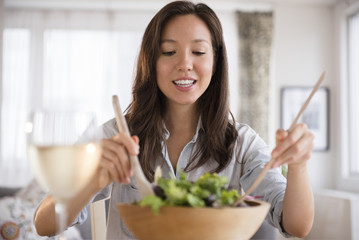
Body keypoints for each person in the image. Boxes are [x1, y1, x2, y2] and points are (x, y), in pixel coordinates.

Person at [33, 1, 314, 239]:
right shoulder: (113, 135)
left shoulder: (242, 143)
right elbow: (44, 223)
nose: (184, 64)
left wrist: (299, 165)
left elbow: (297, 225)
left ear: (215, 62)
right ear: (151, 61)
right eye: (169, 52)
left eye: (199, 52)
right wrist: (92, 180)